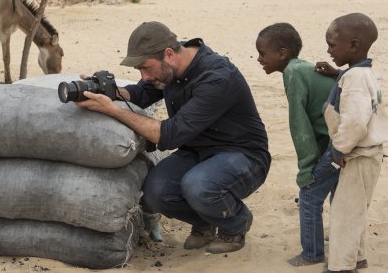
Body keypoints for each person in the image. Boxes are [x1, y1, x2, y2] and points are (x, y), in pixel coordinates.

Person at [76, 21, 271, 254]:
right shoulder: (170, 66)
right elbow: (142, 93)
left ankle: (235, 225)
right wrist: (109, 91)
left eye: (145, 68)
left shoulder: (217, 77)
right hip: (197, 152)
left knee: (197, 186)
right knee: (155, 192)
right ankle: (204, 223)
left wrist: (112, 109)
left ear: (169, 55)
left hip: (242, 155)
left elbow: (169, 135)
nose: (144, 76)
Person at [314, 13, 388, 273]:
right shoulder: (360, 72)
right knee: (356, 210)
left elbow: (356, 121)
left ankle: (341, 266)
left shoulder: (355, 79)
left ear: (354, 46)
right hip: (368, 156)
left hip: (358, 155)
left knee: (344, 214)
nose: (328, 49)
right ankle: (357, 257)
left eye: (332, 44)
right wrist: (337, 73)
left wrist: (339, 148)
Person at [255, 23, 339, 267]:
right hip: (347, 139)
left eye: (262, 53)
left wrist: (306, 168)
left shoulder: (294, 73)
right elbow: (319, 121)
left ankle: (312, 254)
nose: (259, 59)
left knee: (310, 192)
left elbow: (300, 126)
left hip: (341, 142)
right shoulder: (302, 68)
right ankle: (344, 244)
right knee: (338, 193)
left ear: (282, 53)